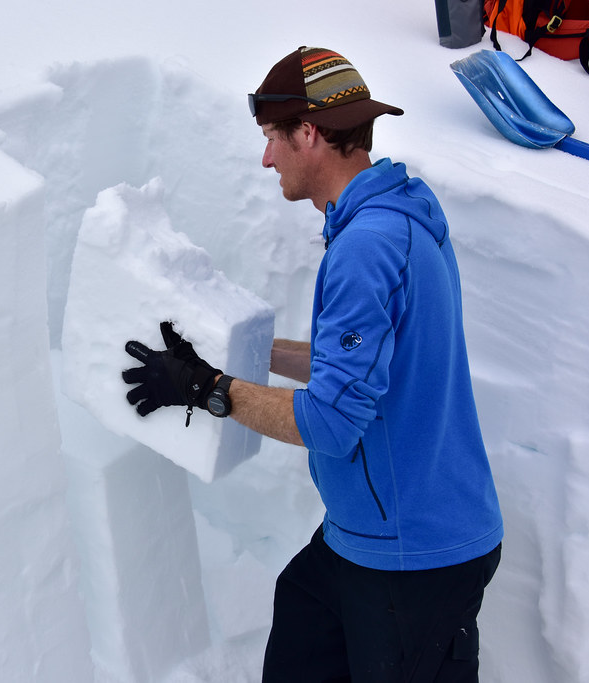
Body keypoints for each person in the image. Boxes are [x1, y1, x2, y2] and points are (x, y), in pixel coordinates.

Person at [121, 46, 503, 682]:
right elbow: (363, 367)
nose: (266, 156)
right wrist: (240, 352)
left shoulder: (367, 246)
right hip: (365, 537)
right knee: (300, 625)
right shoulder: (398, 214)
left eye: (273, 136)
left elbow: (330, 422)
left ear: (310, 132)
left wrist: (205, 388)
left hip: (413, 557)